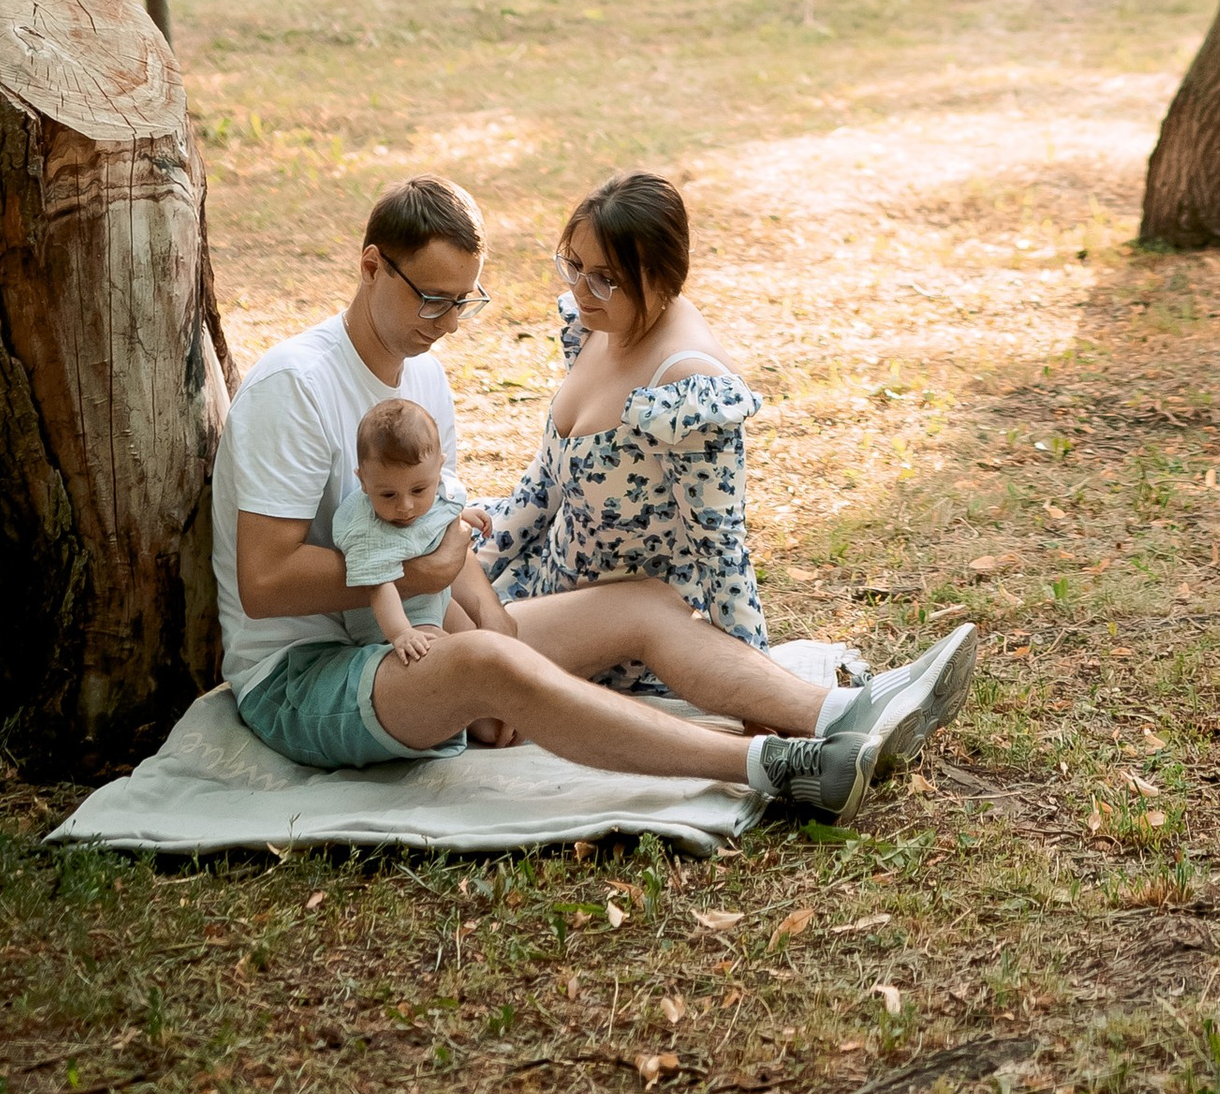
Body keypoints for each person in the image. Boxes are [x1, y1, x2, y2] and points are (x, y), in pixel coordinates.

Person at [210, 174, 894, 814]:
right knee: (489, 659)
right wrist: (453, 615)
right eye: (432, 298)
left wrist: (493, 628)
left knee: (642, 603)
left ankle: (842, 712)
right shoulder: (295, 387)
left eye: (463, 301)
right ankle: (770, 763)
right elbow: (265, 580)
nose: (448, 322)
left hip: (413, 641)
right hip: (305, 677)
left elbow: (437, 540)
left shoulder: (423, 381)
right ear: (370, 267)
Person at [470, 168, 975, 771]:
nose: (582, 289)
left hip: (623, 629)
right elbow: (539, 492)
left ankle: (838, 711)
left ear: (658, 280)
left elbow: (722, 552)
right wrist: (463, 577)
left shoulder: (687, 385)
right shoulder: (597, 326)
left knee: (461, 657)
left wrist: (755, 686)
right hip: (541, 589)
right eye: (573, 265)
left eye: (605, 278)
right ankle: (854, 710)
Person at [341, 397, 471, 669]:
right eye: (388, 494)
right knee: (455, 659)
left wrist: (461, 514)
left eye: (419, 491)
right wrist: (401, 632)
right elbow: (378, 585)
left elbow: (436, 512)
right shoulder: (367, 530)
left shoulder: (433, 489)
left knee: (475, 638)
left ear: (439, 469)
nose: (405, 506)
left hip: (434, 601)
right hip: (393, 617)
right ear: (363, 481)